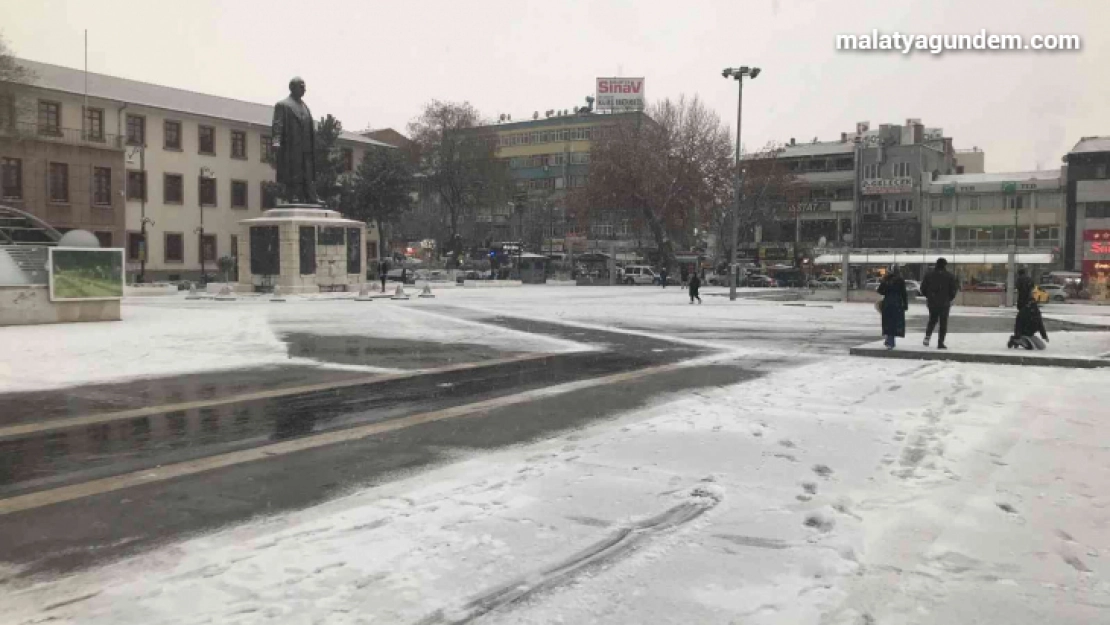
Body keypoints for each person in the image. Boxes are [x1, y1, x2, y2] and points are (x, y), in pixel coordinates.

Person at [920, 257, 960, 349]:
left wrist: (929, 296)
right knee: (943, 323)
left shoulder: (929, 275)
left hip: (932, 302)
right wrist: (949, 298)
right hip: (944, 303)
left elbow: (923, 289)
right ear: (945, 265)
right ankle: (940, 342)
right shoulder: (949, 276)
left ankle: (927, 336)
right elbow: (953, 289)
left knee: (932, 320)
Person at [877, 265, 908, 349]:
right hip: (897, 303)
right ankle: (890, 341)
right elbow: (904, 293)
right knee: (894, 323)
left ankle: (889, 339)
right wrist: (905, 304)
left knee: (888, 322)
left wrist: (886, 290)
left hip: (887, 303)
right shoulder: (900, 280)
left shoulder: (886, 279)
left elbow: (880, 290)